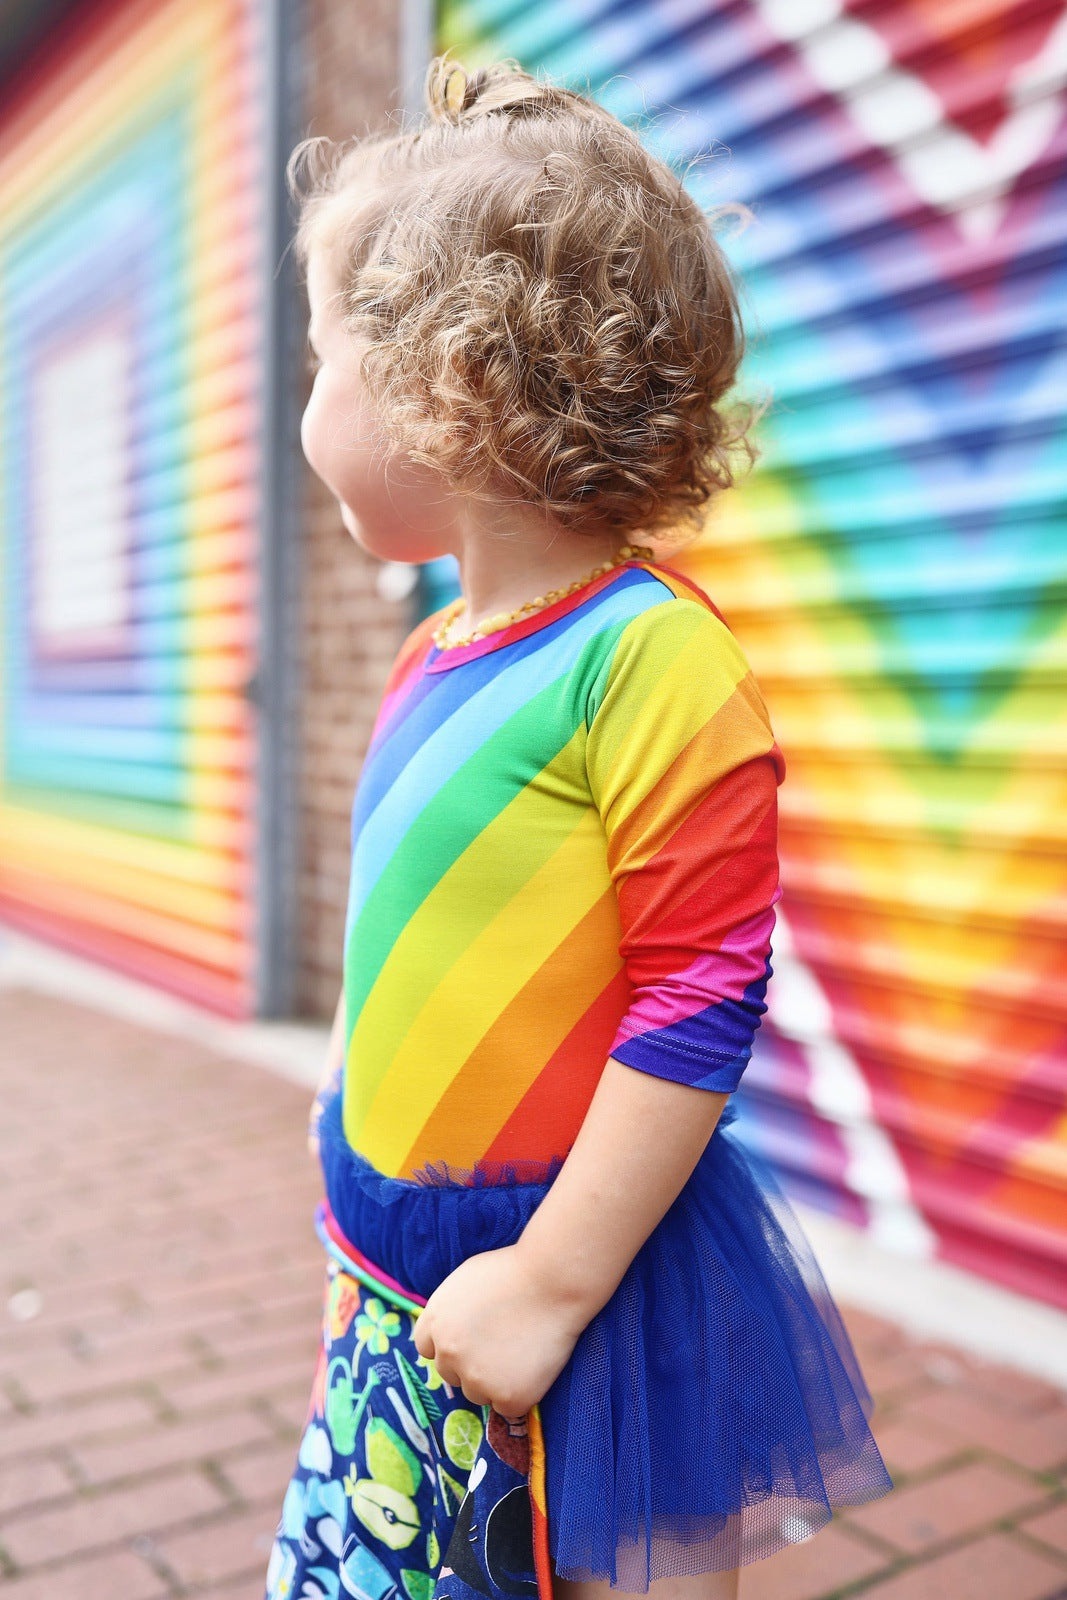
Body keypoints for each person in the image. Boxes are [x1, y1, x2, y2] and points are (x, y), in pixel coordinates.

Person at [265, 54, 892, 1600]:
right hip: (395, 1257)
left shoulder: (646, 658)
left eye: (320, 357)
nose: (307, 403)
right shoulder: (431, 655)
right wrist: (348, 1083)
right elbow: (407, 914)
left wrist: (554, 1280)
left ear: (443, 376)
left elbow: (701, 995)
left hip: (590, 1278)